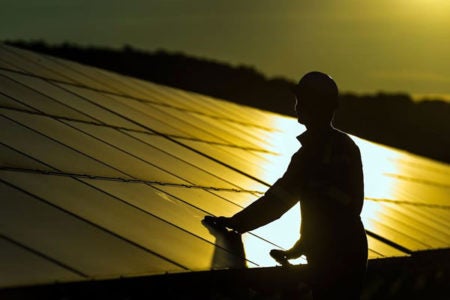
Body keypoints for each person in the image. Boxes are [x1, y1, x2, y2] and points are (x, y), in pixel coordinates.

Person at [203, 71, 368, 299]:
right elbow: (345, 209)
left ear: (314, 105)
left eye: (302, 99)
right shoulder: (347, 146)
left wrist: (237, 223)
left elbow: (279, 201)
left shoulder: (311, 154)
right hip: (351, 255)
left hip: (333, 260)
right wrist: (304, 244)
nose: (297, 105)